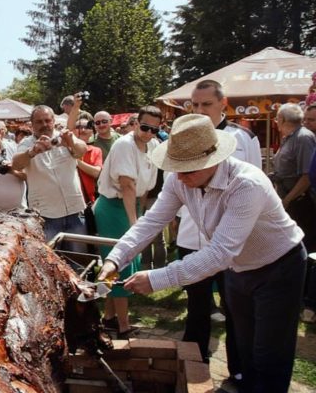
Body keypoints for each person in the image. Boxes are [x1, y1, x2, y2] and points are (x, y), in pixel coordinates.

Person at [98, 114, 307, 393]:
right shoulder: (179, 179)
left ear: (213, 160)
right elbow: (152, 221)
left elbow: (220, 252)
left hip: (279, 267)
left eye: (188, 170)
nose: (180, 177)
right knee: (245, 346)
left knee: (270, 353)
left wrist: (158, 278)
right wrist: (116, 257)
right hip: (239, 268)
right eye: (176, 168)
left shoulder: (246, 184)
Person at [177, 79, 261, 381]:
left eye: (206, 104)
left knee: (235, 308)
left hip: (230, 242)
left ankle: (239, 369)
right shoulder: (183, 137)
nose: (199, 110)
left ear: (222, 104)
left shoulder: (243, 138)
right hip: (191, 235)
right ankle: (192, 365)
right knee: (197, 307)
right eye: (194, 105)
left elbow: (255, 187)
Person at [94, 105, 161, 338]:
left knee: (126, 262)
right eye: (144, 127)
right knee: (119, 264)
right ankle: (123, 326)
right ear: (135, 124)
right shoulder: (124, 145)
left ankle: (109, 318)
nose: (148, 133)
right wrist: (135, 224)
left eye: (154, 129)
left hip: (133, 206)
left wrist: (140, 215)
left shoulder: (154, 146)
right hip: (114, 207)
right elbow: (127, 185)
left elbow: (144, 188)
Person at [12, 105, 87, 243]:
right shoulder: (27, 143)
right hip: (46, 214)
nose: (44, 125)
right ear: (32, 124)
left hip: (74, 209)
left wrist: (71, 144)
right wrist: (32, 152)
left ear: (53, 121)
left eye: (47, 120)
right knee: (50, 260)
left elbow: (82, 150)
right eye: (39, 122)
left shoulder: (63, 136)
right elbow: (16, 164)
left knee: (79, 259)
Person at [272, 103, 315, 253]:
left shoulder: (303, 138)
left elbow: (307, 176)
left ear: (282, 119)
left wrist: (287, 200)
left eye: (277, 118)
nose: (275, 121)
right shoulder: (289, 137)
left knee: (304, 245)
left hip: (301, 203)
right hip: (291, 201)